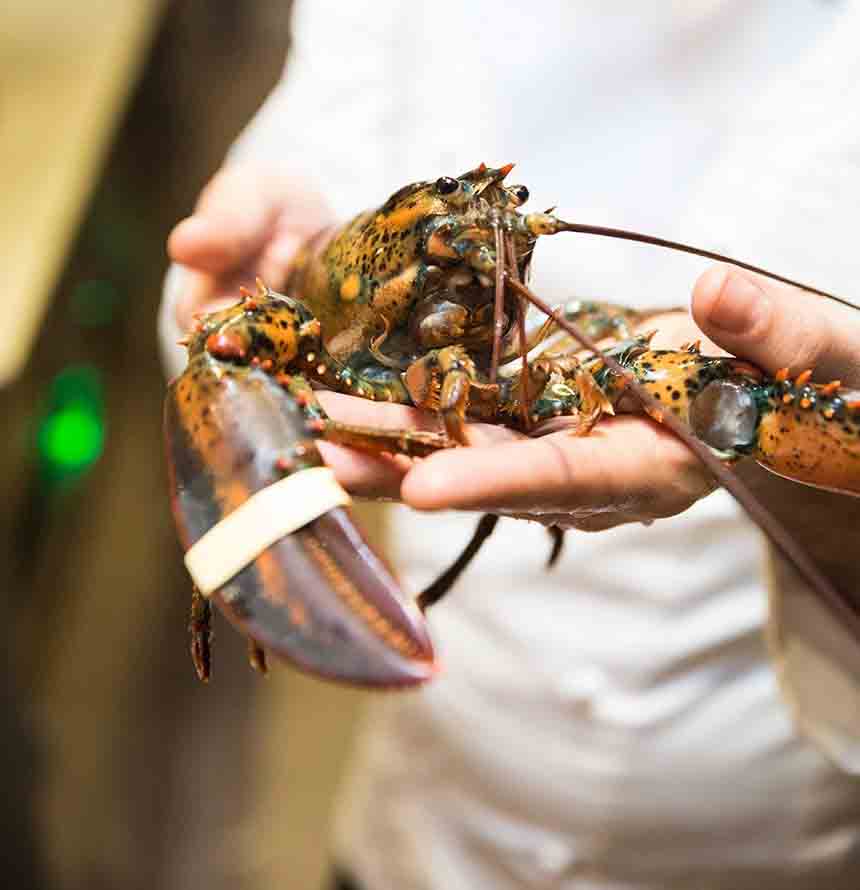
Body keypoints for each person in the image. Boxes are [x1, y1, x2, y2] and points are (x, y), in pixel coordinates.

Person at [160, 2, 860, 887]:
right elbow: (229, 307)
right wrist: (241, 268)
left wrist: (767, 459)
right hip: (430, 825)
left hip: (771, 833)